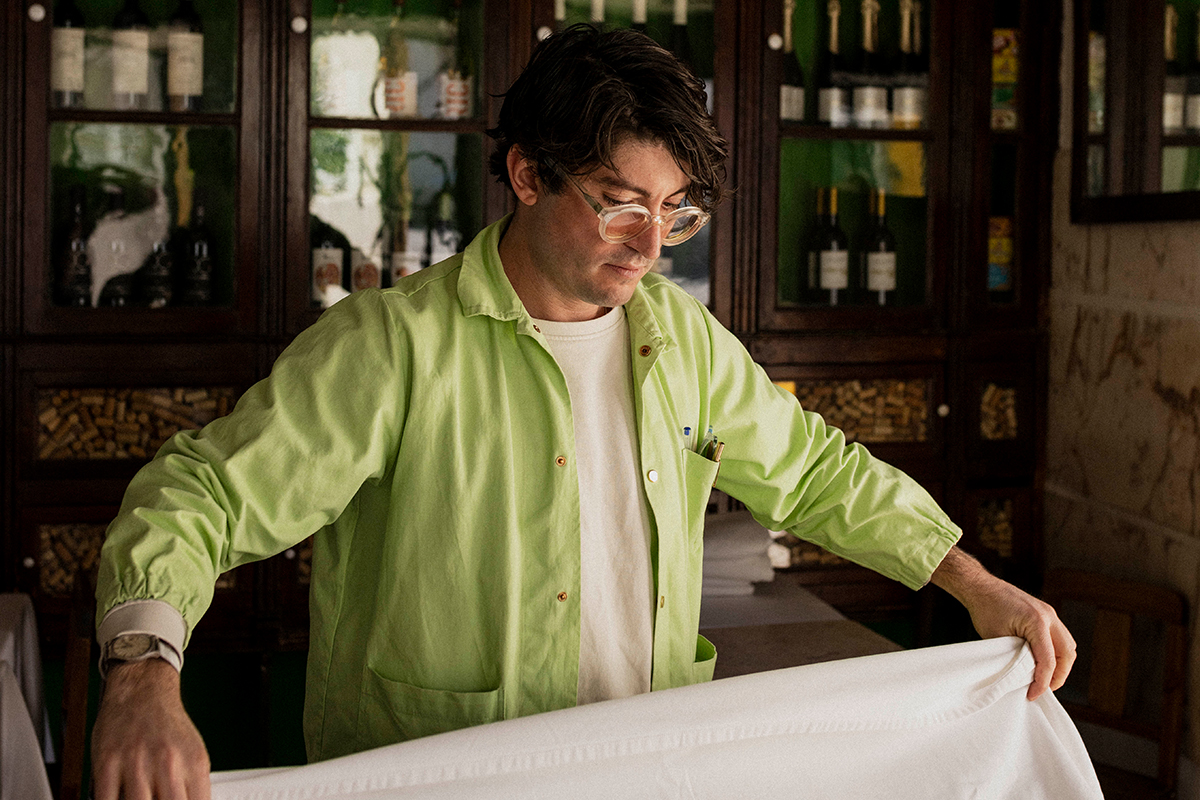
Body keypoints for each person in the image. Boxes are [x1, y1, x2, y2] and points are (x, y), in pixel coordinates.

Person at [90, 24, 1075, 800]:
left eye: (677, 209)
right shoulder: (394, 347)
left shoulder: (682, 341)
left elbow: (816, 472)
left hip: (646, 769)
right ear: (528, 174)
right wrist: (142, 674)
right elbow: (200, 496)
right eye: (618, 202)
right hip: (442, 778)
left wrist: (970, 579)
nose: (654, 243)